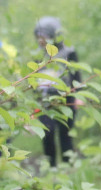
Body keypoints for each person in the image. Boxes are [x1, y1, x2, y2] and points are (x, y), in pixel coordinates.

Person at [33, 16, 79, 166]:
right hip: (45, 100)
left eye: (44, 36)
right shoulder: (37, 56)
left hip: (66, 98)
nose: (41, 40)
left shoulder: (68, 53)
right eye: (39, 37)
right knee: (47, 133)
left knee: (65, 133)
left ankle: (68, 166)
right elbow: (32, 80)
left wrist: (78, 95)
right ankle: (51, 166)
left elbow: (76, 75)